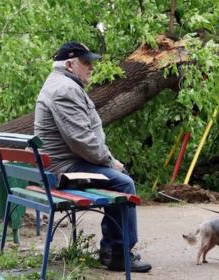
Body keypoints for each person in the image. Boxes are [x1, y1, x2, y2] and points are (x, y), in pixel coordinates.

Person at [34, 41, 152, 273]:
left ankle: (112, 248)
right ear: (69, 64)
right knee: (123, 182)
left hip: (61, 165)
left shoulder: (61, 84)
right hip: (64, 170)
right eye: (86, 62)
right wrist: (110, 161)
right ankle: (118, 253)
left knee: (119, 177)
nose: (91, 67)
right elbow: (81, 141)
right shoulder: (65, 90)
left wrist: (109, 161)